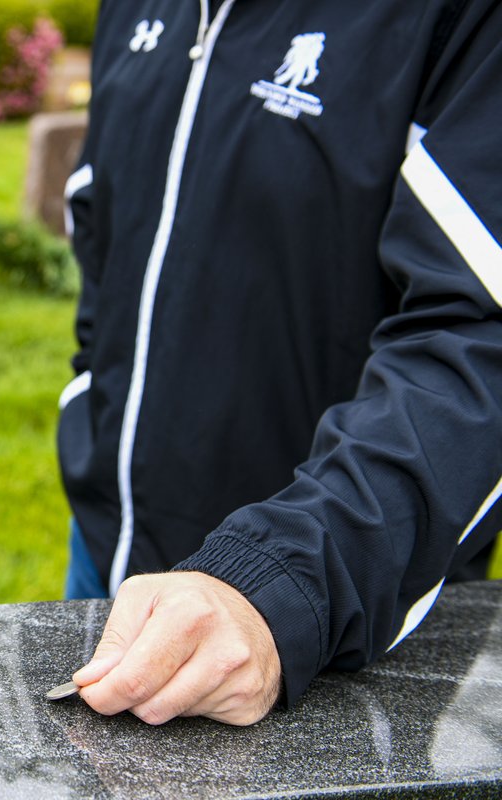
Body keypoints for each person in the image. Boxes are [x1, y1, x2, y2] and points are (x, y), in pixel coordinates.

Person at [58, 0, 502, 725]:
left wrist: (282, 582)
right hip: (108, 559)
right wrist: (90, 408)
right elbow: (101, 222)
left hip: (325, 617)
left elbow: (479, 331)